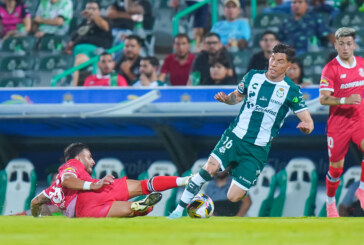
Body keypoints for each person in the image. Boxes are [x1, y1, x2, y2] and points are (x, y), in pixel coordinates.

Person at [168, 43, 314, 219]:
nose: (274, 64)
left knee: (233, 196)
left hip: (257, 149)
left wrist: (306, 127)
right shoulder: (253, 76)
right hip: (235, 136)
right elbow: (235, 98)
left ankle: (211, 193)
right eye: (272, 59)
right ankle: (177, 211)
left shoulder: (292, 90)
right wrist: (226, 99)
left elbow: (308, 121)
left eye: (280, 61)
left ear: (288, 66)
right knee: (209, 170)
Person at [31, 143, 191, 218]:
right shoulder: (73, 163)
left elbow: (35, 202)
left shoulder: (52, 190)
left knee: (131, 210)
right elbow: (67, 179)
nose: (93, 161)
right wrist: (94, 184)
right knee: (144, 185)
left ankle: (139, 207)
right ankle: (184, 181)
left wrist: (36, 218)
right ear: (79, 157)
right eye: (89, 157)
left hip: (84, 213)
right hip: (93, 194)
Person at [319, 27, 364, 218]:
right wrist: (344, 100)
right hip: (338, 123)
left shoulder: (362, 64)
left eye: (348, 43)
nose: (345, 47)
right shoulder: (330, 69)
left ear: (354, 44)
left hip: (359, 119)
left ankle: (361, 189)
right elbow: (323, 99)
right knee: (336, 169)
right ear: (336, 45)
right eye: (341, 44)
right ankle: (330, 203)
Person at [66, 1, 113, 86]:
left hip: (94, 52)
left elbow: (105, 26)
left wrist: (93, 15)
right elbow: (74, 38)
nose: (90, 11)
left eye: (93, 9)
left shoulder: (103, 20)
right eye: (88, 8)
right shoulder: (81, 24)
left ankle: (73, 87)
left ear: (99, 11)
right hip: (77, 50)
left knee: (77, 62)